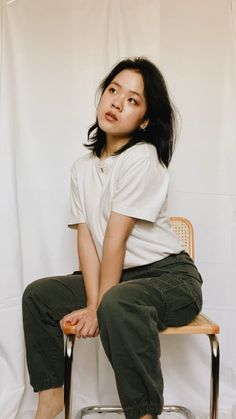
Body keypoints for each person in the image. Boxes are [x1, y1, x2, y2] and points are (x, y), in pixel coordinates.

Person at [22, 57, 203, 419]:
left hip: (170, 279)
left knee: (117, 303)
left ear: (145, 120)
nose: (118, 103)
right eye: (113, 90)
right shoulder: (82, 169)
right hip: (119, 280)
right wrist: (93, 303)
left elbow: (116, 239)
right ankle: (51, 400)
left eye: (133, 100)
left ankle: (143, 414)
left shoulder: (142, 157)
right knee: (39, 296)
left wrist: (99, 306)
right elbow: (89, 242)